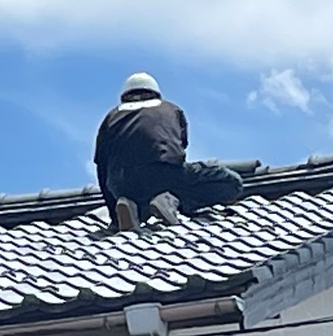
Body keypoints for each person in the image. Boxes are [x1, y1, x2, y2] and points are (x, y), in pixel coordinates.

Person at [94, 72, 244, 231]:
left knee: (139, 195)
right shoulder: (170, 109)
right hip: (164, 172)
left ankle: (131, 208)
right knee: (232, 182)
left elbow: (102, 168)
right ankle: (170, 200)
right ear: (155, 93)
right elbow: (180, 149)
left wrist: (114, 218)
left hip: (121, 184)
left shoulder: (111, 117)